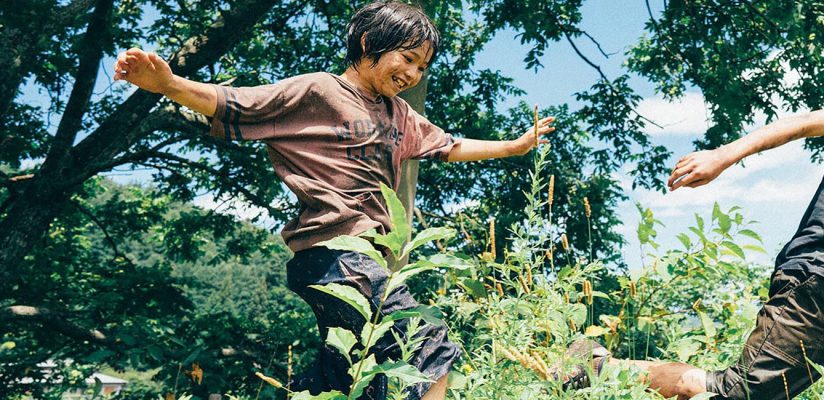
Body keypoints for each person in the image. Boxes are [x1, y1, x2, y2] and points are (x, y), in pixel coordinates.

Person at [112, 2, 555, 399]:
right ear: (368, 44)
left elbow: (450, 145)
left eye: (423, 67)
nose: (414, 74)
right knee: (428, 342)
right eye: (407, 58)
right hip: (337, 254)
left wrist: (513, 147)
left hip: (367, 260)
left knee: (352, 379)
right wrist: (169, 83)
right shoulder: (319, 92)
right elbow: (234, 102)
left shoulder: (399, 113)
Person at [561, 33, 824, 400]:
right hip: (818, 281)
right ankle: (600, 367)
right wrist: (721, 156)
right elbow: (804, 125)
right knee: (738, 392)